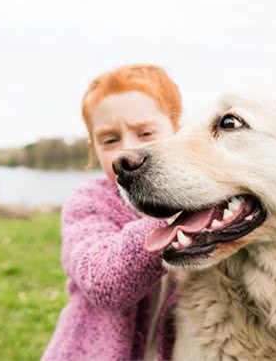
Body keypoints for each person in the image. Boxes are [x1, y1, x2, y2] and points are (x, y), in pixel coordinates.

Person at [41, 64, 181, 361]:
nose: (127, 150)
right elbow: (105, 282)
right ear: (94, 148)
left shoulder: (205, 201)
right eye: (110, 140)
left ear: (179, 131)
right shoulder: (88, 202)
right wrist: (172, 217)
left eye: (145, 133)